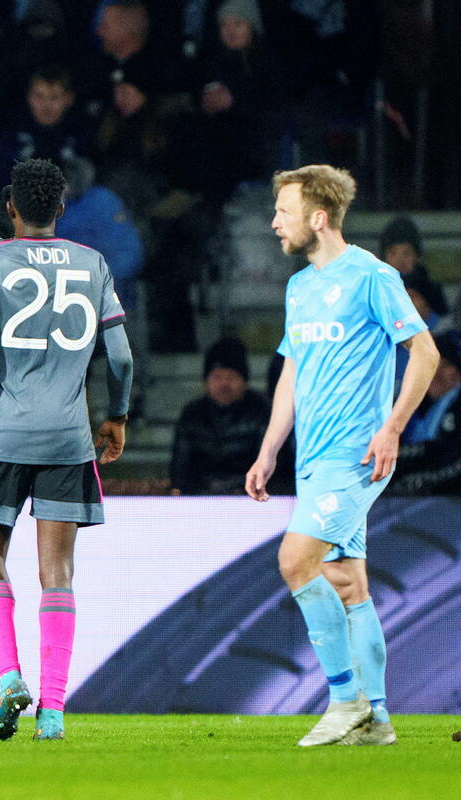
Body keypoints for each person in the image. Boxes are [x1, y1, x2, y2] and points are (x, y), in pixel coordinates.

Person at [246, 165, 439, 747]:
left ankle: (344, 698)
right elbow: (293, 374)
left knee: (294, 561)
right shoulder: (299, 287)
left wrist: (393, 427)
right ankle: (376, 719)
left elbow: (425, 353)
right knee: (348, 583)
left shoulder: (373, 276)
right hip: (313, 459)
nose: (274, 222)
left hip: (356, 455)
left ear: (319, 217)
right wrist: (269, 450)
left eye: (284, 211)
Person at [0, 158, 133, 741]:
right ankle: (52, 713)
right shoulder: (92, 262)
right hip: (69, 438)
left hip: (5, 435)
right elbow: (122, 356)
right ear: (61, 207)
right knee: (57, 574)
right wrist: (117, 415)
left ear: (10, 208)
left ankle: (10, 679)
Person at [170, 337, 270, 495]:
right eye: (217, 377)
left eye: (231, 377)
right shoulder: (192, 414)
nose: (224, 384)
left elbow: (271, 466)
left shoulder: (262, 411)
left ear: (244, 381)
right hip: (200, 497)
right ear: (206, 381)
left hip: (249, 496)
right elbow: (179, 468)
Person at [387, 332, 461, 495]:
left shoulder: (456, 405)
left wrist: (413, 485)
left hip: (444, 499)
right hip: (394, 494)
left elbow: (451, 460)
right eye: (436, 363)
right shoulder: (399, 399)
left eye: (449, 366)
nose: (438, 372)